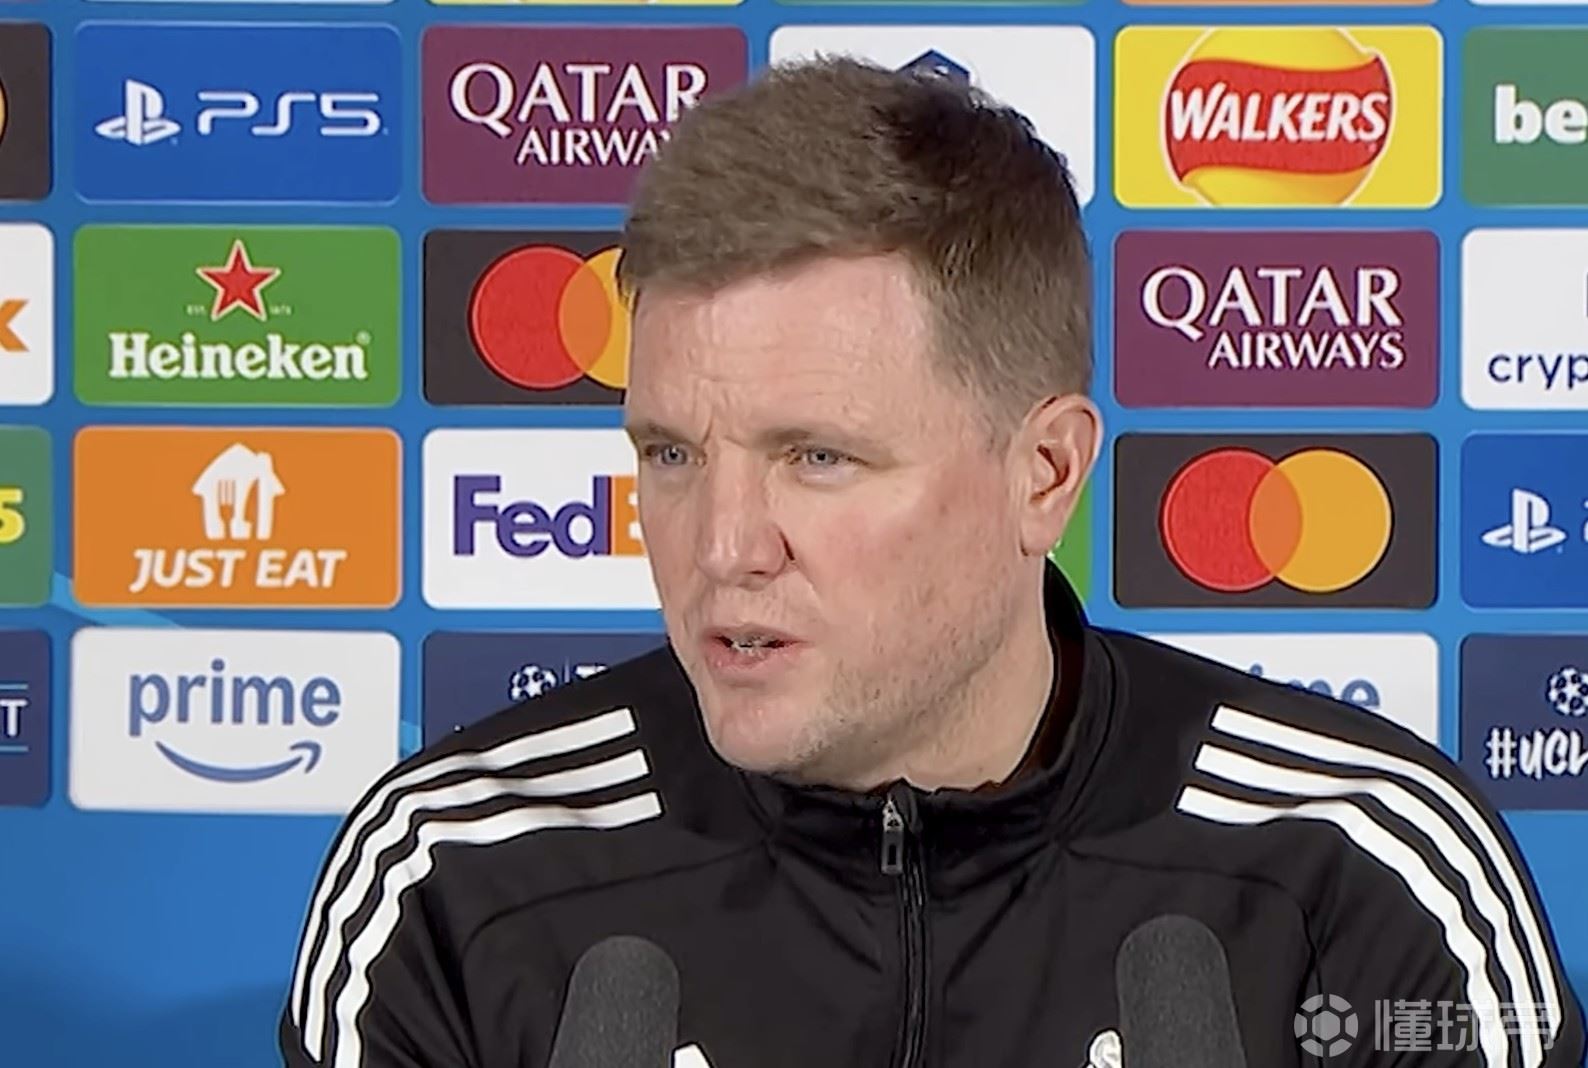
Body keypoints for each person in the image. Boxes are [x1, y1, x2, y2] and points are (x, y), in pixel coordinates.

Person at [280, 56, 1586, 1068]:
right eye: (671, 453)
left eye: (818, 458)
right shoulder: (453, 870)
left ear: (1045, 475)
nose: (723, 547)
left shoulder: (1361, 868)